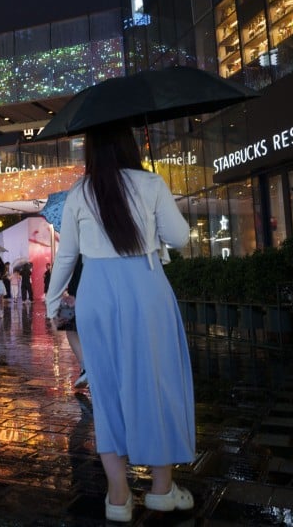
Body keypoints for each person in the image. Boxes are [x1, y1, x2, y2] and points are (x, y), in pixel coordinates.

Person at [44, 124, 193, 523]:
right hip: (146, 289)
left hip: (95, 290)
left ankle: (118, 496)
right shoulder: (151, 183)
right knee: (157, 383)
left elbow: (67, 257)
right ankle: (161, 490)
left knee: (106, 390)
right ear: (130, 144)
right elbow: (180, 238)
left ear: (91, 150)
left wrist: (51, 301)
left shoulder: (81, 191)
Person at [53, 255, 87, 388]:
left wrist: (54, 298)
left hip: (75, 289)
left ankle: (85, 368)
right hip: (99, 285)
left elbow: (65, 260)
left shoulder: (78, 236)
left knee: (69, 329)